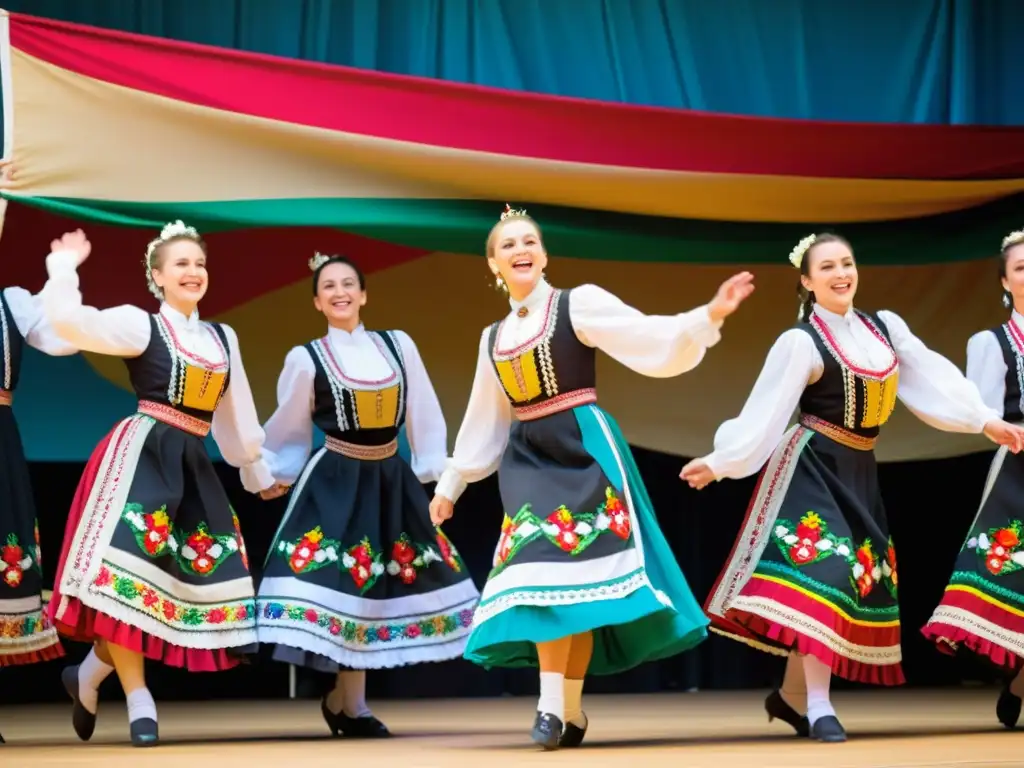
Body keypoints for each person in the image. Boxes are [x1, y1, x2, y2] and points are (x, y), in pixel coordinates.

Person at [429, 204, 755, 749]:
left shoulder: (576, 304)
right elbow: (483, 419)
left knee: (574, 585)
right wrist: (451, 485)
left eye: (529, 241)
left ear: (544, 254)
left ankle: (560, 711)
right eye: (508, 245)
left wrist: (707, 317)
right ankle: (558, 709)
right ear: (493, 265)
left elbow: (648, 338)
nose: (521, 251)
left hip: (584, 451)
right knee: (545, 574)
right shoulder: (494, 338)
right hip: (528, 460)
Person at [681, 232, 1024, 743]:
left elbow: (930, 377)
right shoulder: (801, 340)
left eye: (847, 263)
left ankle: (791, 697)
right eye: (827, 267)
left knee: (847, 580)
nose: (841, 273)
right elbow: (767, 408)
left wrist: (982, 420)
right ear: (807, 281)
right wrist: (721, 461)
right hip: (812, 464)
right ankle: (819, 705)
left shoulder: (884, 327)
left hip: (860, 467)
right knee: (829, 571)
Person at [40, 223, 276, 747]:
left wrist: (256, 472)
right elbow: (71, 323)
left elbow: (237, 418)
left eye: (199, 264)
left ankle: (88, 675)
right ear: (157, 277)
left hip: (192, 464)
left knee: (172, 588)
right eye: (181, 265)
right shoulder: (139, 325)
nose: (193, 272)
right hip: (142, 456)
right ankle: (140, 700)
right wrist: (64, 268)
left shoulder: (221, 338)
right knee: (128, 578)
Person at [253, 252, 480, 738]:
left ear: (364, 294)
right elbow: (290, 428)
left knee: (379, 585)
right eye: (329, 286)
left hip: (388, 479)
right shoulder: (306, 358)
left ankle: (345, 700)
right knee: (347, 584)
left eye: (349, 283)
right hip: (335, 481)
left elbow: (424, 410)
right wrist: (274, 472)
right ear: (317, 302)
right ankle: (350, 703)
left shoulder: (397, 346)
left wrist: (437, 476)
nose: (340, 292)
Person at [922, 227, 1024, 729]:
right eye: (1021, 268)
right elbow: (980, 408)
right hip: (1019, 467)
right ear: (1005, 283)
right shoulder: (991, 341)